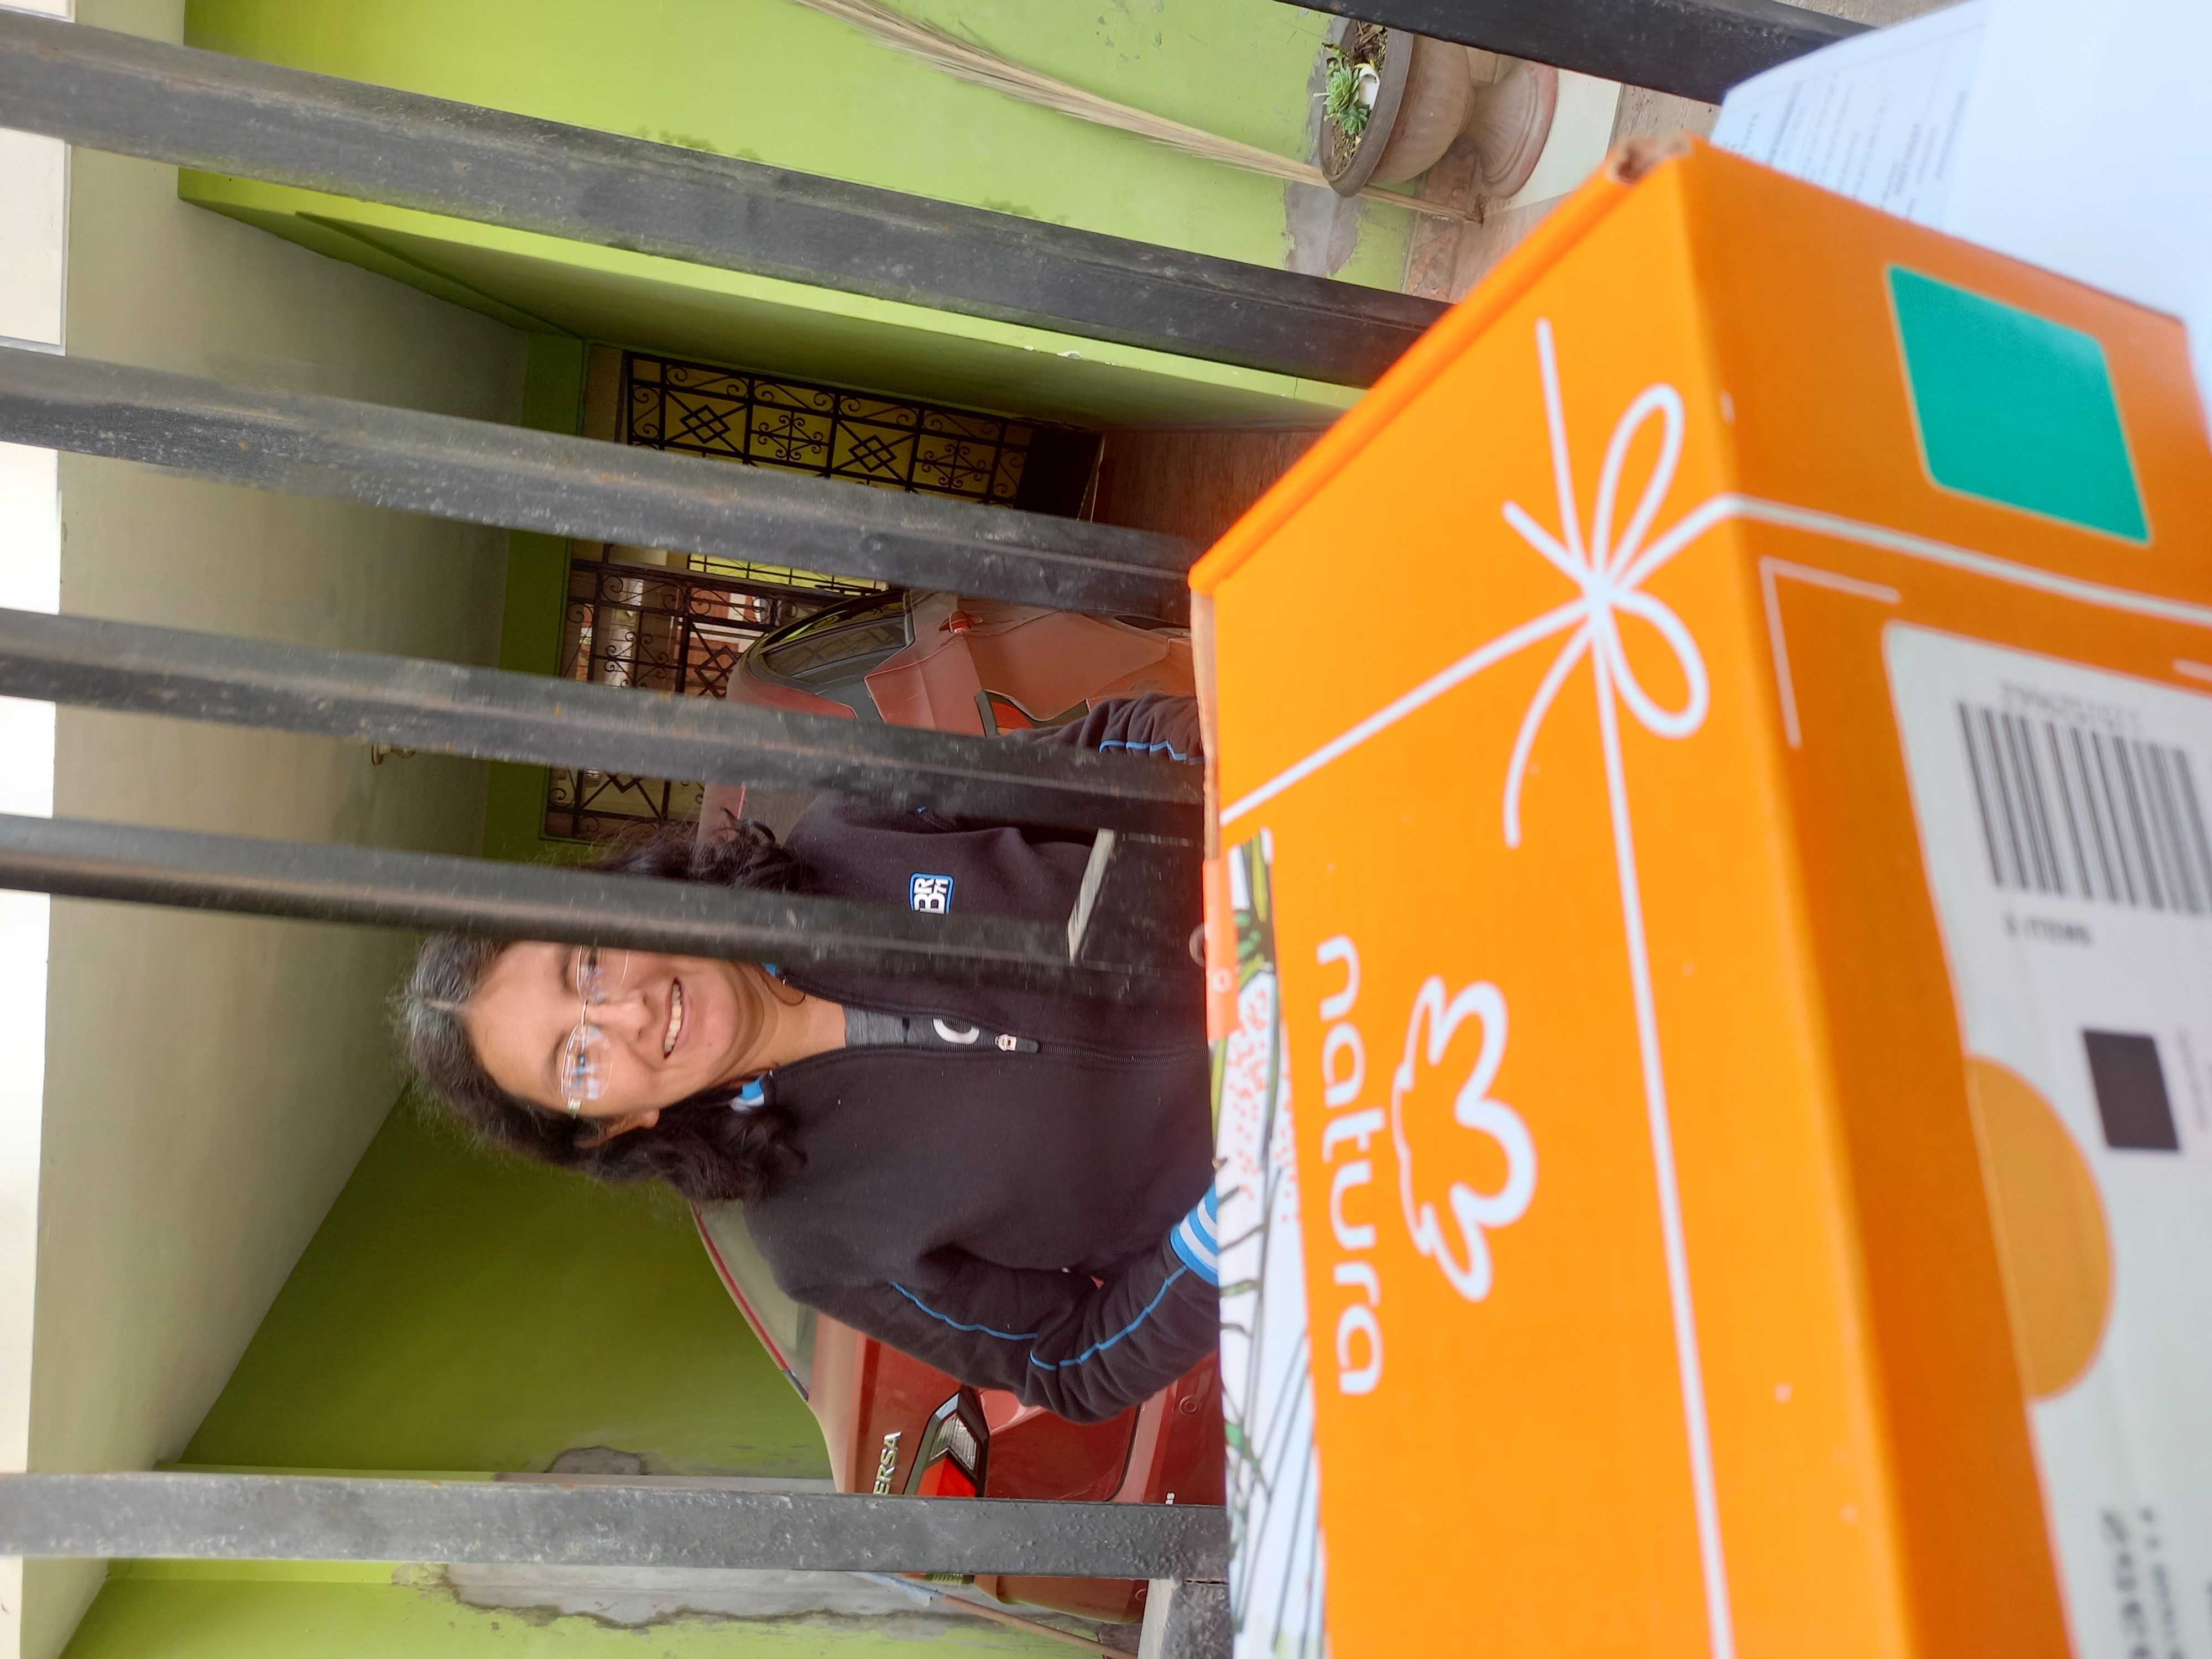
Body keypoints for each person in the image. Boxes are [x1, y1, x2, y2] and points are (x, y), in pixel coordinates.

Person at [398, 693, 1219, 1424]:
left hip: (1285, 904)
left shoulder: (857, 823)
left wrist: (1237, 790)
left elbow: (1121, 750)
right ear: (614, 1124)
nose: (627, 1011)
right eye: (578, 1061)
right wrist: (1227, 1223)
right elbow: (1068, 1363)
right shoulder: (815, 1241)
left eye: (586, 966)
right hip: (1282, 1163)